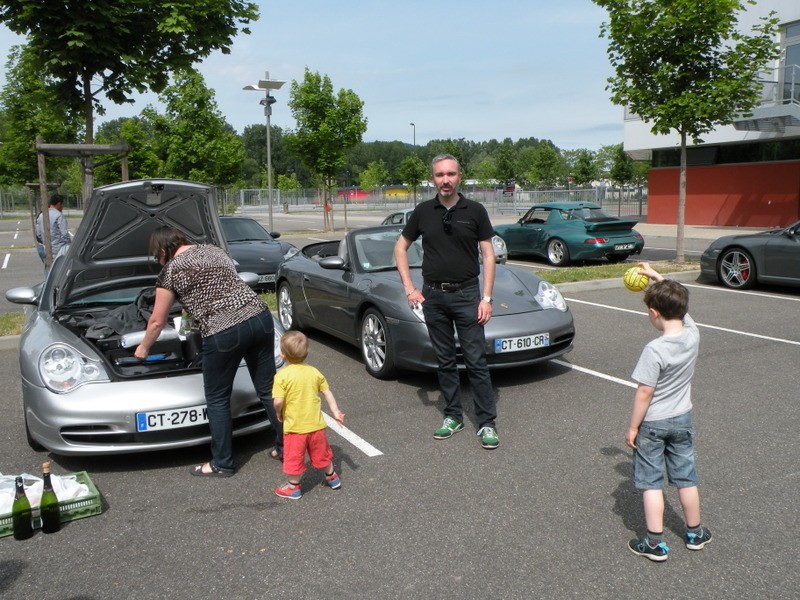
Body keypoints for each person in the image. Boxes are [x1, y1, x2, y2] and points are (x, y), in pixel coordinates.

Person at [133, 226, 282, 477]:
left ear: (161, 250)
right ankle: (287, 447)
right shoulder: (214, 250)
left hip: (224, 330)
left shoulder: (170, 271)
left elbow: (157, 321)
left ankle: (222, 463)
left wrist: (143, 348)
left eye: (156, 256)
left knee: (217, 398)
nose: (158, 261)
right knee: (268, 389)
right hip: (259, 318)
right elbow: (222, 286)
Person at [393, 154, 499, 449]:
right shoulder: (423, 211)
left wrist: (486, 297)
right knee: (445, 360)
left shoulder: (475, 210)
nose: (446, 180)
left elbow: (488, 255)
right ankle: (453, 415)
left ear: (460, 177)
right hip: (434, 297)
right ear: (433, 179)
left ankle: (486, 422)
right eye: (440, 175)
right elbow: (400, 248)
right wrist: (409, 288)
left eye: (451, 174)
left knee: (476, 361)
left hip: (467, 296)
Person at [626, 262, 712, 562]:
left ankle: (654, 542)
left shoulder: (655, 349)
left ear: (653, 314)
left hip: (653, 423)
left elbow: (644, 393)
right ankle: (695, 532)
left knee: (651, 483)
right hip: (682, 418)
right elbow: (682, 310)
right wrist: (658, 278)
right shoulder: (693, 335)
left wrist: (633, 427)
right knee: (686, 478)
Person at [272, 331, 345, 499]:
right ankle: (332, 477)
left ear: (282, 355)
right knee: (322, 454)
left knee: (294, 458)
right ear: (307, 352)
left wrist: (278, 412)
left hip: (295, 427)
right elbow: (327, 393)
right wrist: (335, 412)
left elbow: (277, 401)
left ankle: (293, 487)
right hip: (316, 426)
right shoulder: (314, 372)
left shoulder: (282, 376)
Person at [35, 194, 71, 276]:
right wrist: (68, 245)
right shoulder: (59, 215)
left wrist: (43, 242)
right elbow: (64, 234)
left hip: (43, 248)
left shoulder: (41, 214)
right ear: (59, 203)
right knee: (58, 272)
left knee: (47, 270)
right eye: (63, 204)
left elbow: (38, 233)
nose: (63, 207)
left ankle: (46, 286)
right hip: (57, 249)